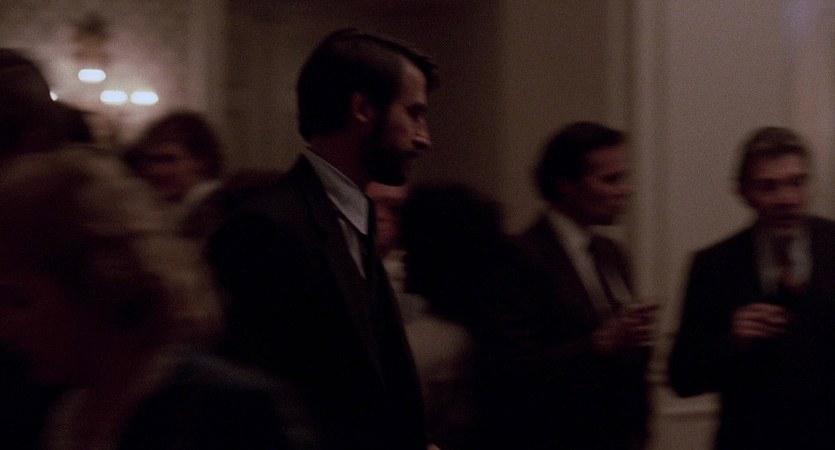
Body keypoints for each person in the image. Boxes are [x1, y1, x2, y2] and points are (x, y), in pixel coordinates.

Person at [0, 147, 322, 450]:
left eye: (19, 300)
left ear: (97, 283)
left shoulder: (227, 412)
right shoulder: (60, 414)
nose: (6, 328)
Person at [207, 28, 439, 450]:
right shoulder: (263, 230)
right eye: (414, 114)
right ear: (363, 109)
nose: (424, 138)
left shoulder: (353, 218)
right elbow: (252, 407)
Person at [668, 126, 835, 449]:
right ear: (743, 192)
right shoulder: (714, 265)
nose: (786, 199)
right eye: (768, 187)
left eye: (797, 183)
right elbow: (682, 378)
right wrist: (733, 342)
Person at [513, 121, 658, 449]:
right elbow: (514, 369)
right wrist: (602, 342)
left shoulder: (610, 252)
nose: (626, 190)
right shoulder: (521, 255)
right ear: (566, 185)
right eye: (610, 180)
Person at [123, 110, 225, 229]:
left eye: (167, 159)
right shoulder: (173, 209)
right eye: (150, 160)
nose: (155, 170)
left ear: (201, 161)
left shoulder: (215, 208)